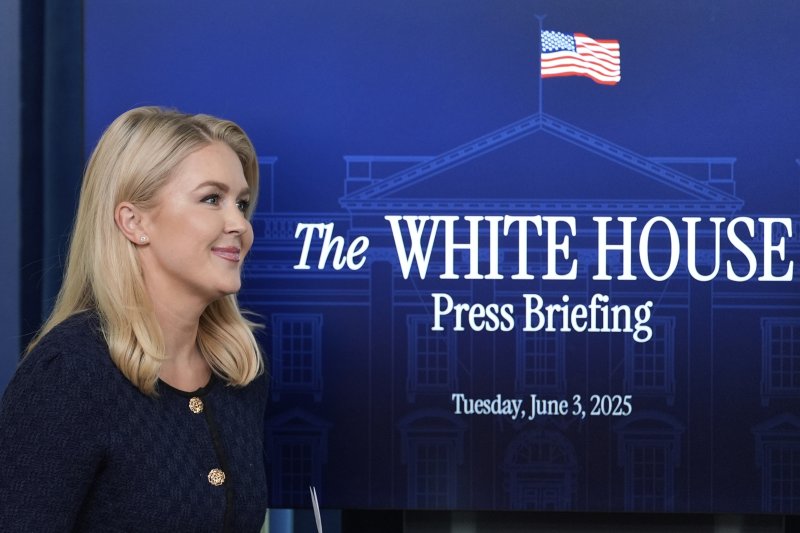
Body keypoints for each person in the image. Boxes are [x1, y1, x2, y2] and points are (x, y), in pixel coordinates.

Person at [0, 106, 269, 531]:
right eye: (211, 199)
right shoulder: (70, 372)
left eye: (242, 203)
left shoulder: (238, 373)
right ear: (133, 221)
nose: (240, 224)